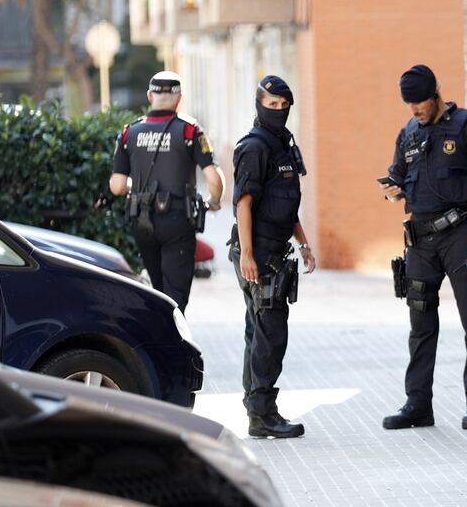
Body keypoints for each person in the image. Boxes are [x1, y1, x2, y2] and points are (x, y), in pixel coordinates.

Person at [379, 64, 467, 430]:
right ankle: (418, 404)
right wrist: (391, 191)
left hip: (460, 233)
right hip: (420, 240)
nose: (415, 110)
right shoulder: (409, 132)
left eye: (420, 102)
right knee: (420, 324)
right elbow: (398, 180)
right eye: (410, 105)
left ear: (435, 94)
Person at [229, 75, 317, 439]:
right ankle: (263, 414)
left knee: (260, 330)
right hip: (259, 253)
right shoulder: (254, 147)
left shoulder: (281, 144)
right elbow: (244, 203)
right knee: (269, 335)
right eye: (272, 105)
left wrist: (304, 242)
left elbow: (283, 205)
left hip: (274, 249)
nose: (278, 111)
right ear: (259, 104)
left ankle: (257, 409)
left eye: (284, 106)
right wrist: (248, 255)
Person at [109, 71, 224, 313]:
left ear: (150, 96)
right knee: (175, 297)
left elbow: (117, 186)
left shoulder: (130, 132)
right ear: (179, 98)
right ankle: (173, 345)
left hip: (141, 222)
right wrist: (214, 201)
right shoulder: (190, 131)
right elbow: (213, 177)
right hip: (177, 221)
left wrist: (138, 189)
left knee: (158, 293)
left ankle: (158, 341)